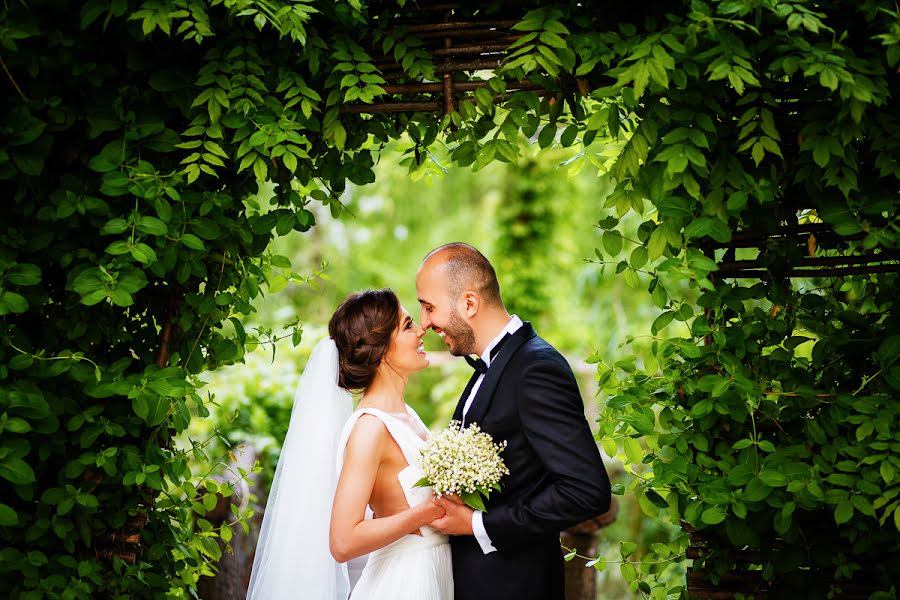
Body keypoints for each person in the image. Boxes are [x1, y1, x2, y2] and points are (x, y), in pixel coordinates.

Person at [416, 243, 612, 600]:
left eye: (429, 307)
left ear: (469, 303)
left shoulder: (536, 368)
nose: (426, 322)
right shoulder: (492, 365)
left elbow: (587, 491)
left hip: (515, 584)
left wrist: (478, 524)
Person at [247, 289, 452, 600]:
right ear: (382, 348)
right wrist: (422, 514)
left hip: (434, 572)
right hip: (405, 583)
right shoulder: (370, 428)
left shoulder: (406, 414)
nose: (422, 329)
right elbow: (343, 541)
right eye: (408, 325)